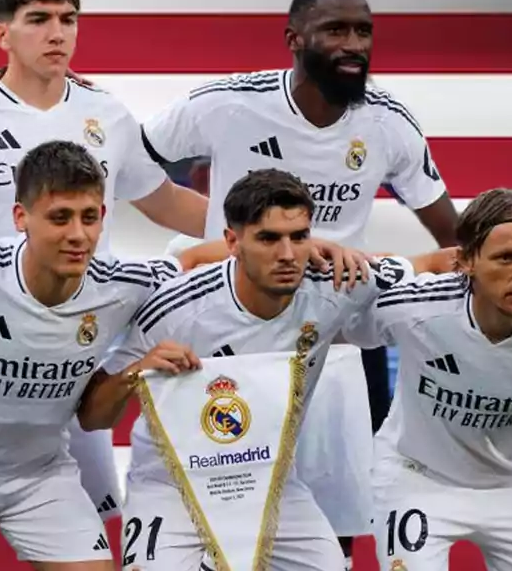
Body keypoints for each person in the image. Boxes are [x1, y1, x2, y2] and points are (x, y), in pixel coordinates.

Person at [0, 141, 358, 570]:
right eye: (60, 217)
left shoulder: (128, 282)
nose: (78, 234)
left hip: (36, 473)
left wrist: (305, 246)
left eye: (90, 217)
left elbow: (195, 262)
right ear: (20, 217)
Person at [138, 0, 461, 560]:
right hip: (230, 324)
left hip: (330, 339)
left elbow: (451, 236)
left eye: (364, 31)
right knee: (213, 503)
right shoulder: (228, 104)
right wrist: (213, 235)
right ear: (294, 37)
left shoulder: (389, 123)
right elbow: (130, 161)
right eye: (335, 29)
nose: (354, 43)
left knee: (328, 526)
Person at [0, 0, 210, 526]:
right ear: (2, 33)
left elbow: (163, 201)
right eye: (38, 19)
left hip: (77, 349)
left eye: (68, 19)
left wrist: (248, 232)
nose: (57, 33)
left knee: (83, 522)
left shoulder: (107, 114)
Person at [78, 168, 455, 570]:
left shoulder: (335, 283)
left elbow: (436, 265)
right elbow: (92, 416)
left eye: (300, 236)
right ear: (231, 242)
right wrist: (137, 371)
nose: (289, 254)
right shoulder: (176, 307)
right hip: (171, 486)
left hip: (270, 481)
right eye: (269, 239)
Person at [344, 188, 512, 570]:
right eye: (506, 258)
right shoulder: (417, 306)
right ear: (466, 261)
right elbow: (330, 323)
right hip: (416, 479)